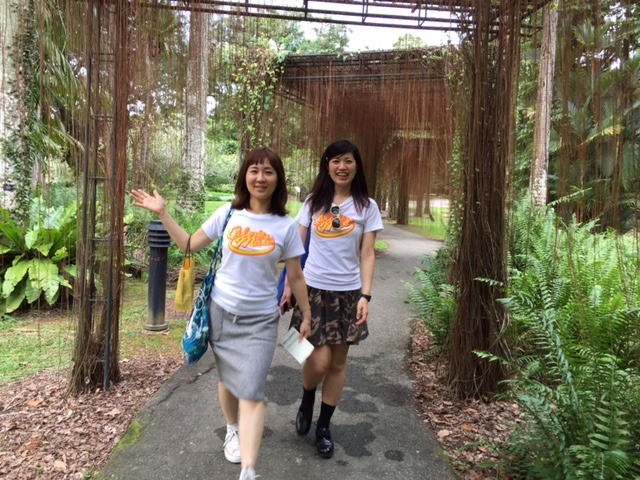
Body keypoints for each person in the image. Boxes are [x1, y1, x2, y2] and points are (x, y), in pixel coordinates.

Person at [131, 147, 312, 480]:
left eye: (268, 171)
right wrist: (163, 213)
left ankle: (249, 471)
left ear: (278, 179)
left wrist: (307, 314)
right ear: (245, 175)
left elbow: (296, 276)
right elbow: (188, 244)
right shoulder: (228, 213)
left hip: (261, 321)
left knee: (253, 391)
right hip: (221, 313)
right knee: (228, 380)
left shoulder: (285, 226)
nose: (260, 178)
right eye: (254, 170)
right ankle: (232, 429)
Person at [280, 139, 384, 459]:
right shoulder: (314, 202)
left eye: (348, 161)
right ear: (327, 165)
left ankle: (323, 428)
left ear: (357, 166)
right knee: (315, 359)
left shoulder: (367, 206)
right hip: (311, 290)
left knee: (337, 364)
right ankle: (306, 397)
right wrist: (288, 286)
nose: (342, 166)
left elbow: (367, 253)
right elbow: (295, 248)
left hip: (348, 293)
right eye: (336, 160)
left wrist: (366, 295)